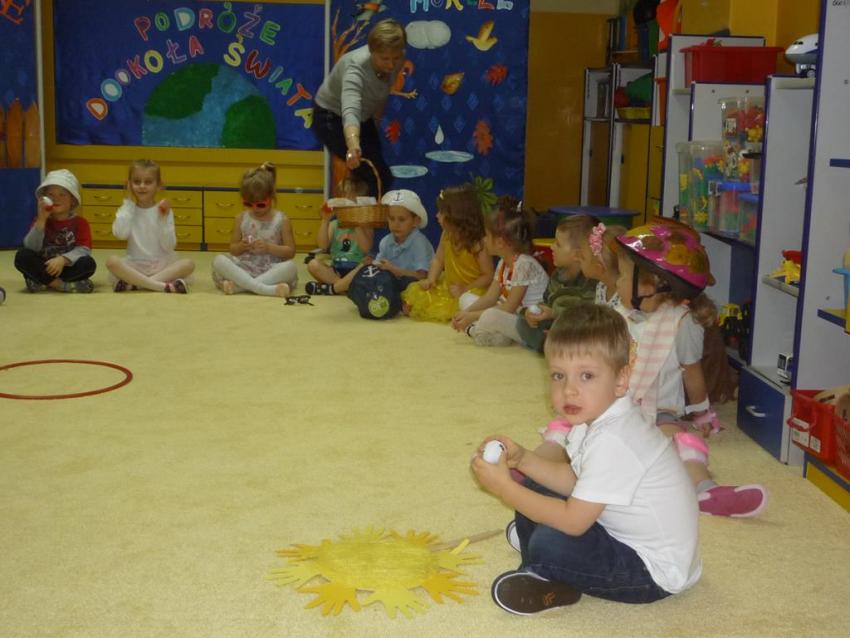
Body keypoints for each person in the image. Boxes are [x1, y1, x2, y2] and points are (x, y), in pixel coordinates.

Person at [471, 303, 701, 615]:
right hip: (616, 533)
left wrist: (504, 488)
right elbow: (576, 482)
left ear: (621, 379)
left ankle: (544, 574)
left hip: (652, 573)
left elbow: (573, 521)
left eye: (587, 376)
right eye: (558, 375)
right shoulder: (595, 419)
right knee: (535, 489)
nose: (569, 391)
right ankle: (544, 559)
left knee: (551, 540)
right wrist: (524, 460)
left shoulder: (616, 440)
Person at [615, 221, 767, 517]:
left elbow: (692, 372)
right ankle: (537, 467)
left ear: (650, 286)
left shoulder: (682, 323)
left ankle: (705, 489)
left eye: (621, 276)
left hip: (659, 411)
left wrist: (701, 413)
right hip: (613, 406)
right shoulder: (620, 314)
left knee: (682, 442)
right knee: (570, 430)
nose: (617, 282)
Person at [311, 18, 407, 197]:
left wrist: (374, 125)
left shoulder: (398, 57)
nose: (391, 65)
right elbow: (351, 110)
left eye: (395, 58)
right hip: (330, 116)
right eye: (385, 59)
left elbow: (382, 94)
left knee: (380, 175)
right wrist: (353, 146)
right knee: (374, 175)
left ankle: (363, 211)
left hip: (363, 116)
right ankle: (362, 214)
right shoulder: (355, 69)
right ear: (372, 51)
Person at [451, 196, 548, 347]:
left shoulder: (524, 264)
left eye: (487, 235)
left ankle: (476, 330)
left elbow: (509, 308)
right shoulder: (503, 262)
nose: (484, 239)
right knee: (465, 298)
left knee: (490, 316)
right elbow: (490, 297)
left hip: (526, 323)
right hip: (506, 314)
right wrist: (466, 313)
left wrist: (472, 316)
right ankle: (489, 331)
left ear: (500, 243)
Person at [401, 184, 493, 322]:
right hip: (449, 286)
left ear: (455, 216)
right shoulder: (446, 234)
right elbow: (438, 260)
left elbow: (488, 276)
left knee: (466, 302)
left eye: (441, 212)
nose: (437, 216)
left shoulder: (478, 242)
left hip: (472, 288)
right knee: (419, 292)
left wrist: (465, 289)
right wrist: (431, 279)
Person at [105, 159, 195, 293]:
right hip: (134, 265)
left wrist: (163, 219)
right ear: (129, 184)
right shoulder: (127, 210)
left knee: (188, 264)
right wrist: (128, 202)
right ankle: (161, 286)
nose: (142, 186)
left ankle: (137, 285)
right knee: (111, 262)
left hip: (161, 266)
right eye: (136, 182)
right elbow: (120, 234)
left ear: (158, 185)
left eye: (148, 182)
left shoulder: (164, 210)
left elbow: (169, 246)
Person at [211, 162, 298, 297]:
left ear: (271, 197)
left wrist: (269, 248)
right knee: (218, 261)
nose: (255, 209)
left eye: (261, 204)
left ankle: (240, 287)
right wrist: (242, 246)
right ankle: (266, 289)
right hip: (244, 268)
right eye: (248, 204)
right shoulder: (241, 218)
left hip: (271, 269)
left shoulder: (282, 220)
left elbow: (290, 252)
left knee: (290, 267)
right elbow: (233, 249)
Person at [515, 214, 598, 353]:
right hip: (554, 326)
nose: (552, 247)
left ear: (577, 254)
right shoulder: (557, 274)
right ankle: (553, 344)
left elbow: (588, 317)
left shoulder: (591, 281)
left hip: (578, 331)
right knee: (522, 322)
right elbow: (546, 301)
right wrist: (533, 312)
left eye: (558, 244)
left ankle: (555, 345)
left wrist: (555, 313)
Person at [14, 169, 96, 293]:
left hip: (66, 267)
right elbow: (31, 247)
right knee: (22, 256)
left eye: (62, 195)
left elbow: (84, 250)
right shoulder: (40, 220)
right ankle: (60, 285)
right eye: (51, 195)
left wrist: (63, 259)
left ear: (73, 200)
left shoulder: (80, 223)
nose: (56, 198)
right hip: (44, 267)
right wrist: (41, 220)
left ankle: (41, 281)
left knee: (88, 264)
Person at [304, 175, 375, 296]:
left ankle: (332, 288)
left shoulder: (366, 225)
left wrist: (356, 225)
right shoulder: (334, 224)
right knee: (313, 265)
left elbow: (366, 248)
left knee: (370, 267)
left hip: (357, 270)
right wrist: (325, 221)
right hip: (336, 270)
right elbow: (322, 246)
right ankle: (343, 287)